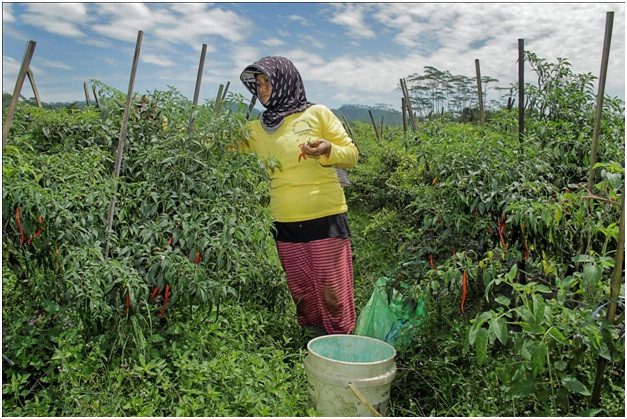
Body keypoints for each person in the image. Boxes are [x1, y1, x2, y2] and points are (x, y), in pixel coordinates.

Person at [239, 56, 359, 336]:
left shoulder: (317, 114)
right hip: (284, 220)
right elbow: (217, 151)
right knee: (302, 294)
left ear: (285, 82)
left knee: (333, 293)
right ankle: (314, 345)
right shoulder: (253, 130)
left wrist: (328, 148)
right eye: (258, 84)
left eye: (267, 82)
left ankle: (342, 343)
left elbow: (351, 155)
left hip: (325, 215)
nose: (262, 90)